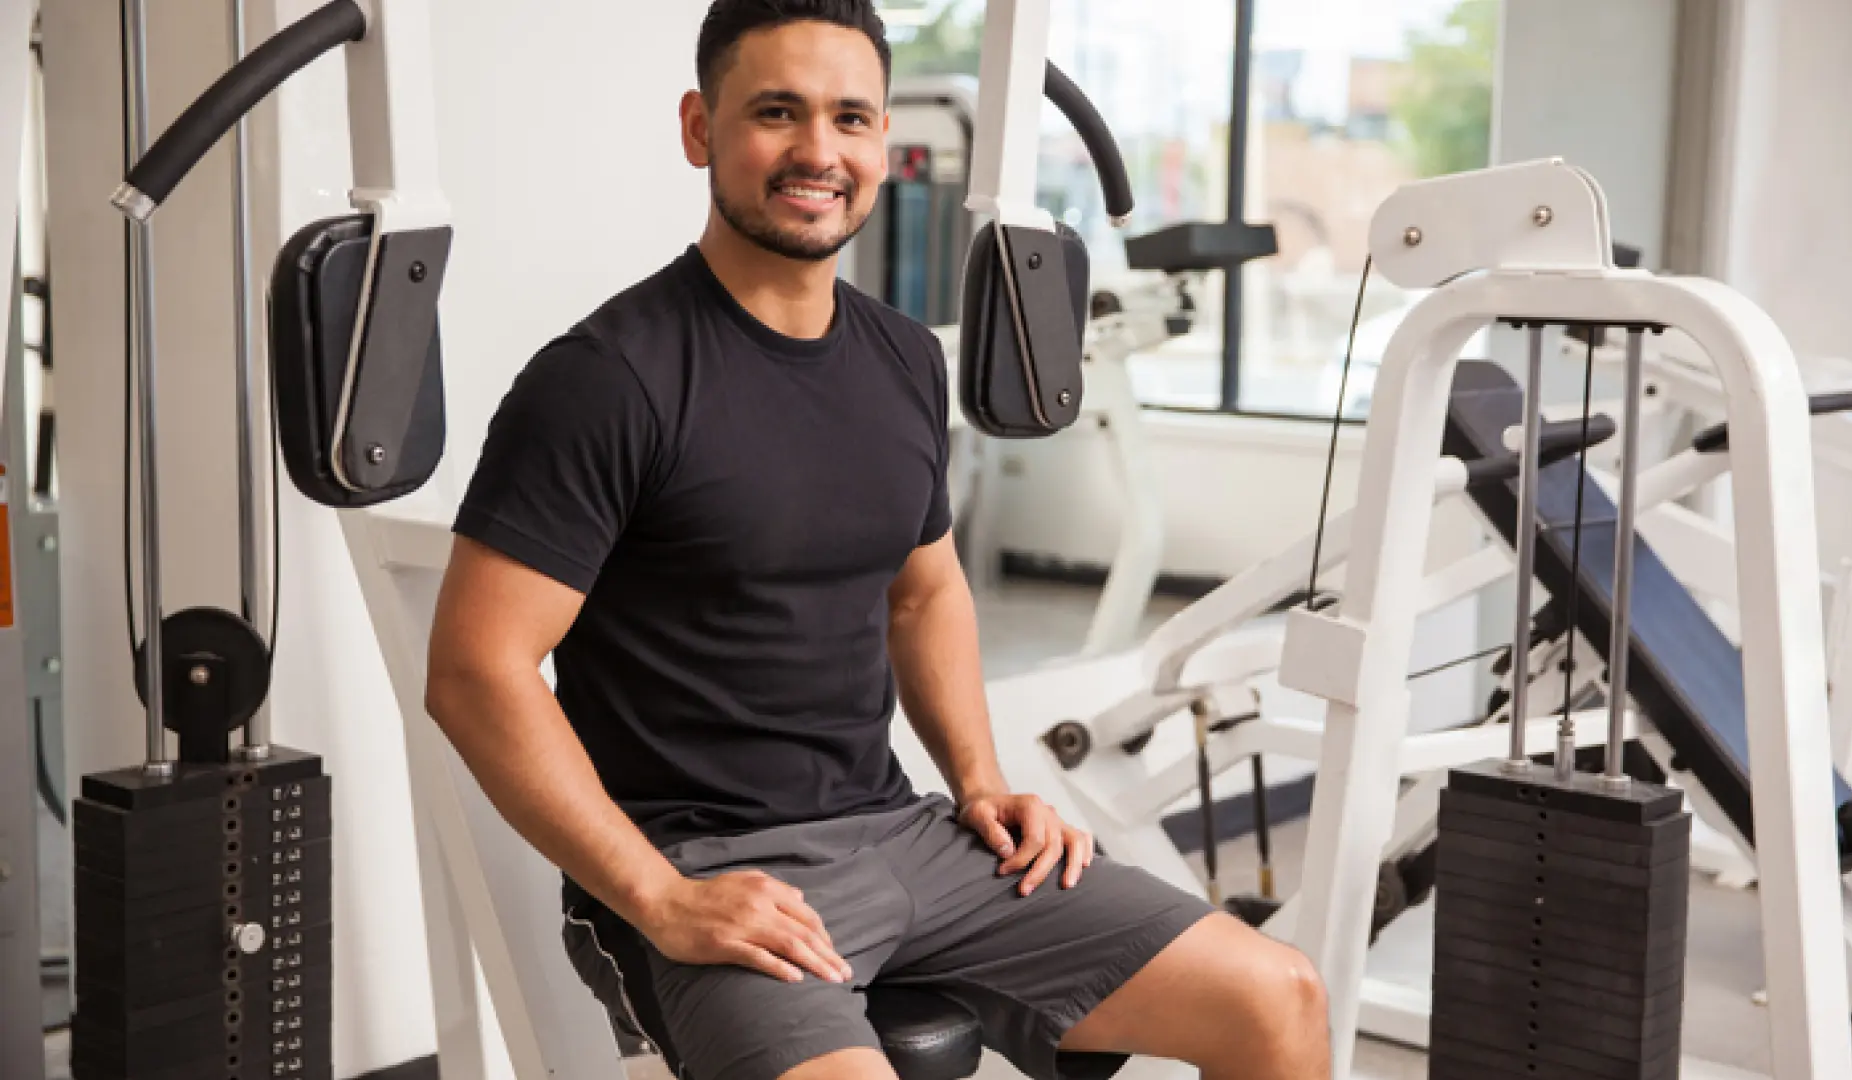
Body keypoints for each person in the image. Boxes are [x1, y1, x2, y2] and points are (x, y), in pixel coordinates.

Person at [425, 1, 1331, 1077]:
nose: (819, 151)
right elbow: (476, 670)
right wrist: (658, 896)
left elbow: (923, 591)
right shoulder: (606, 380)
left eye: (850, 118)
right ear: (698, 129)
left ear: (882, 140)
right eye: (776, 112)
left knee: (1279, 997)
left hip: (905, 834)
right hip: (718, 870)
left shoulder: (903, 359)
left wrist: (981, 780)